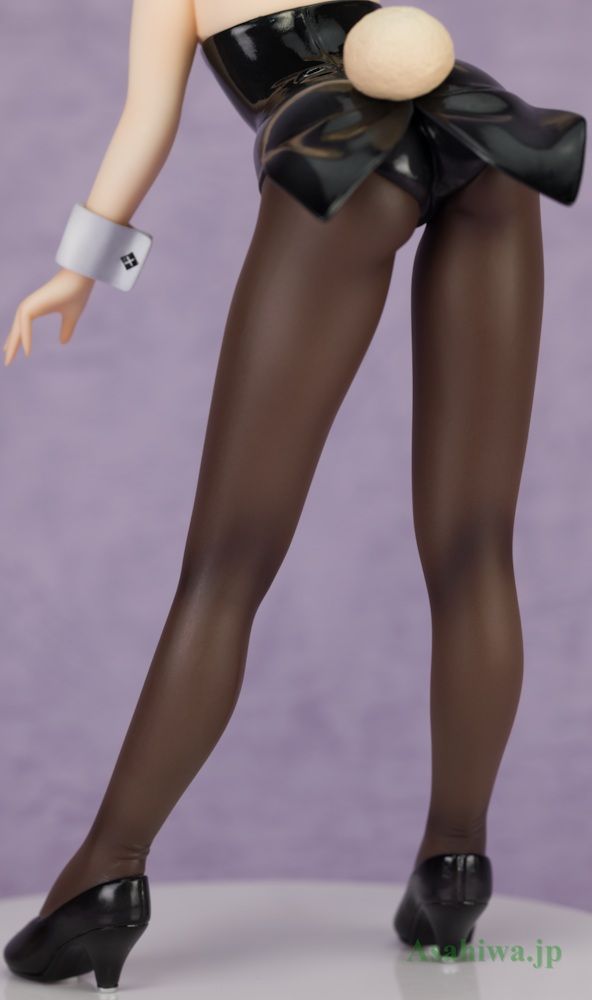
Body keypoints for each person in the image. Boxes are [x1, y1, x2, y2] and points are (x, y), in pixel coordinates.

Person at [3, 0, 587, 988]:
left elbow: (147, 123)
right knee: (475, 546)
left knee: (227, 564)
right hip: (485, 135)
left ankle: (105, 874)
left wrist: (87, 272)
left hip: (339, 157)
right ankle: (455, 867)